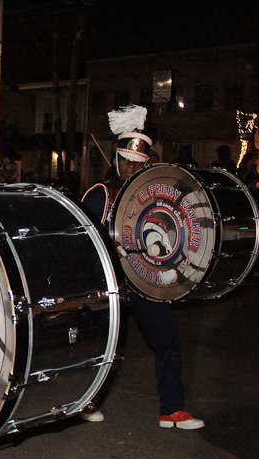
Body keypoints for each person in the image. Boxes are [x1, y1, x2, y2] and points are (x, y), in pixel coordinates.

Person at [81, 105, 204, 429]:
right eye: (127, 162)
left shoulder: (155, 198)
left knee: (167, 340)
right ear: (116, 159)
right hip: (111, 285)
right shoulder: (101, 194)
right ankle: (86, 401)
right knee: (103, 347)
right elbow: (84, 243)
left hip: (145, 282)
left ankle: (172, 409)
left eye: (138, 164)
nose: (131, 168)